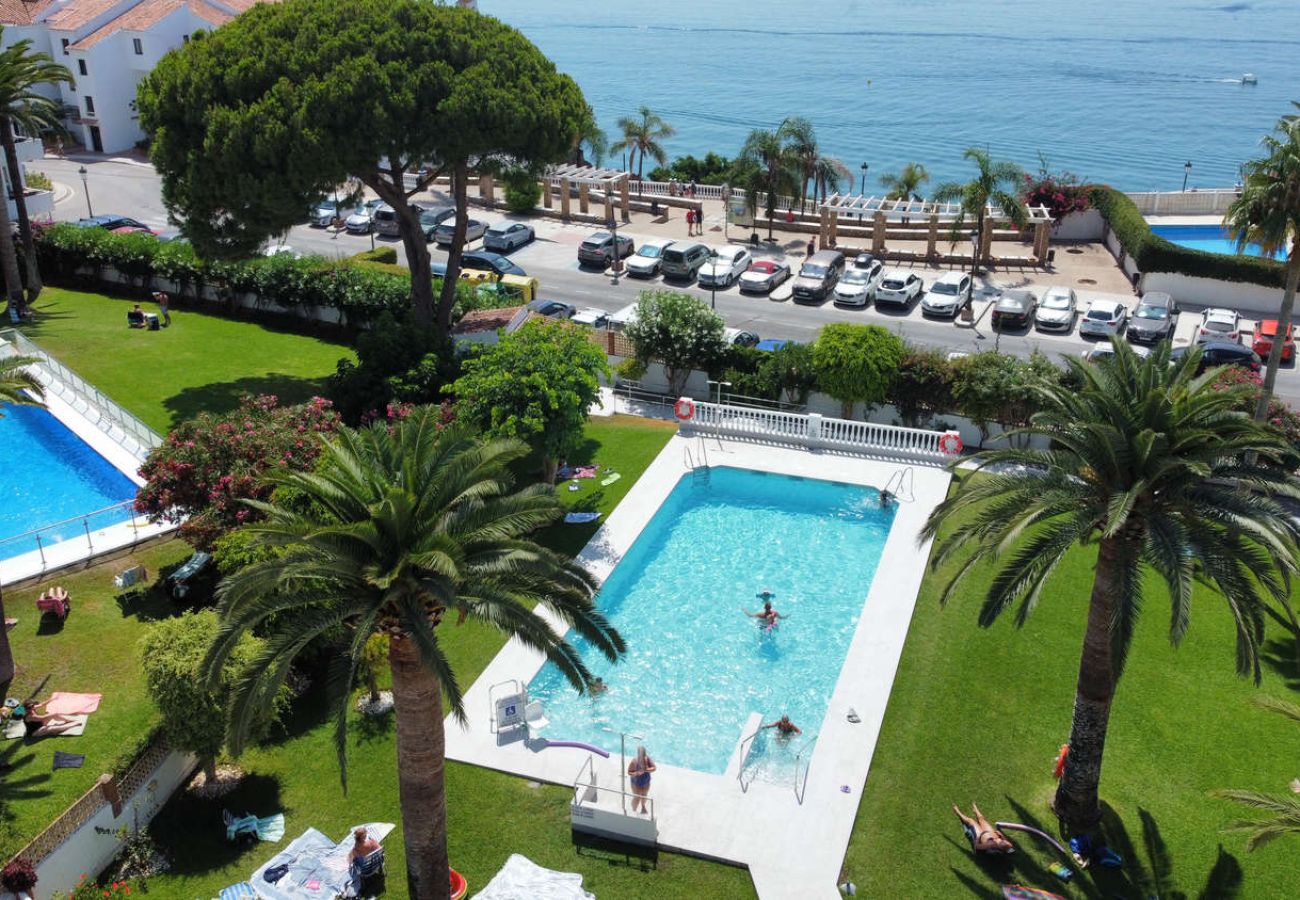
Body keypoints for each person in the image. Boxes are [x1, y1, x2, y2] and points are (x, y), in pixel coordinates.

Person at [627, 745, 656, 813]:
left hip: (645, 780)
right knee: (637, 797)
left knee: (644, 795)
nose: (643, 756)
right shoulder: (634, 761)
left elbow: (654, 768)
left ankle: (643, 806)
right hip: (636, 782)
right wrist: (636, 773)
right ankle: (633, 810)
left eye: (643, 754)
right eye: (641, 754)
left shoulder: (647, 759)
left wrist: (646, 770)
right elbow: (629, 772)